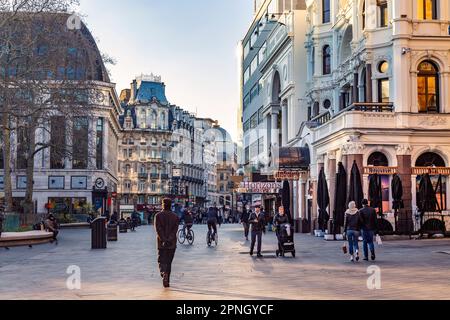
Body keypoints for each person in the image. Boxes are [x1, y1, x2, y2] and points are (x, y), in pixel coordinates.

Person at [154, 198, 180, 288]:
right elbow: (175, 230)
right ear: (170, 205)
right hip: (172, 243)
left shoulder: (158, 215)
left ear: (163, 205)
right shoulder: (175, 216)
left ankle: (163, 273)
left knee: (161, 260)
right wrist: (169, 239)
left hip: (161, 243)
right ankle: (167, 280)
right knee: (169, 262)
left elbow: (158, 229)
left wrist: (164, 239)